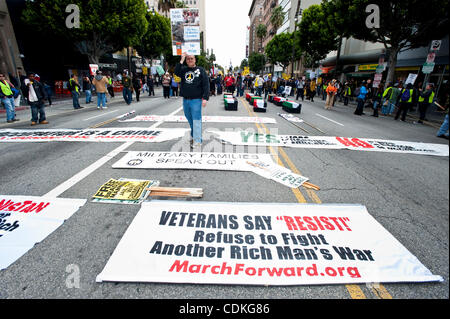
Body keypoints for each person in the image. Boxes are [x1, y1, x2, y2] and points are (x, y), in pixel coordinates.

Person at [174, 53, 210, 150]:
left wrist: (205, 98)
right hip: (186, 100)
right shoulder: (184, 70)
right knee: (190, 119)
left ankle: (198, 141)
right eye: (188, 59)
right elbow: (176, 72)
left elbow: (206, 84)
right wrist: (181, 60)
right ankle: (195, 135)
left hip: (196, 100)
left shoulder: (201, 70)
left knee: (196, 120)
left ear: (195, 60)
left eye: (191, 58)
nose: (190, 60)